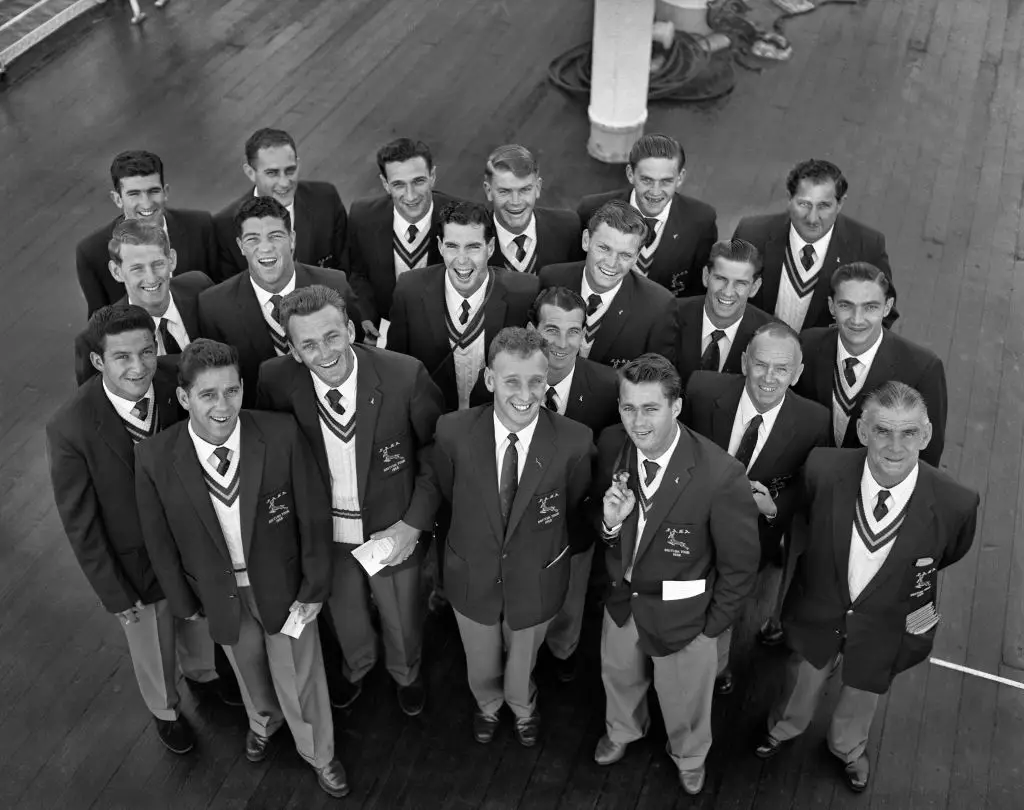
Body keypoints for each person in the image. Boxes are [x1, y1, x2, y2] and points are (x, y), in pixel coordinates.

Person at [134, 340, 349, 797]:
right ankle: (263, 722)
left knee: (300, 672)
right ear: (183, 398)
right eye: (208, 395)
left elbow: (313, 517)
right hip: (218, 591)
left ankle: (320, 752)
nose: (223, 405)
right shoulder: (155, 458)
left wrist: (314, 588)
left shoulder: (280, 434)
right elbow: (159, 539)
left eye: (231, 391)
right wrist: (183, 602)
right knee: (246, 666)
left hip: (285, 586)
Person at [754, 382, 979, 793]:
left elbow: (948, 554)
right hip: (819, 608)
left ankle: (847, 747)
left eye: (909, 433)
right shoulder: (823, 468)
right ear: (861, 431)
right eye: (882, 431)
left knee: (864, 691)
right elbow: (803, 518)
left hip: (885, 621)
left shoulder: (956, 503)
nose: (895, 445)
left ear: (926, 435)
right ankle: (783, 727)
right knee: (800, 676)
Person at [255, 285, 444, 717]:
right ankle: (358, 667)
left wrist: (414, 524)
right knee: (345, 615)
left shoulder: (404, 376)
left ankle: (405, 672)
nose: (324, 352)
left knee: (403, 617)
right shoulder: (275, 381)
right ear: (294, 351)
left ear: (351, 330)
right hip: (325, 536)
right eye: (308, 344)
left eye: (332, 336)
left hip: (392, 529)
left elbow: (436, 453)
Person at [47, 305, 217, 755]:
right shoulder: (69, 427)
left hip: (190, 542)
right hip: (133, 560)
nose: (138, 366)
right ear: (99, 361)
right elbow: (79, 522)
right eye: (122, 357)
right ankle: (166, 710)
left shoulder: (174, 383)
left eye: (146, 351)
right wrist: (114, 593)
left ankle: (204, 674)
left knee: (198, 620)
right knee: (152, 642)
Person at [593, 354, 760, 795]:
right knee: (619, 675)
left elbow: (740, 567)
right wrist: (610, 525)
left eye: (650, 409)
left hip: (687, 615)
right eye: (628, 408)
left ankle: (689, 755)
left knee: (686, 698)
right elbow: (611, 534)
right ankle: (623, 730)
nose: (637, 421)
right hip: (623, 600)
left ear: (677, 407)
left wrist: (711, 630)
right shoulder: (612, 447)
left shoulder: (721, 475)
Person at [427, 328, 593, 747]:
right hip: (471, 572)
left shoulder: (574, 440)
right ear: (488, 380)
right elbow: (448, 493)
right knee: (479, 657)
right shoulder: (452, 431)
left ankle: (523, 705)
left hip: (537, 577)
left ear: (547, 382)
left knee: (524, 659)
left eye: (536, 381)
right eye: (511, 381)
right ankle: (487, 704)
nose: (525, 393)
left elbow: (572, 505)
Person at [682, 322, 830, 694]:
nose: (769, 377)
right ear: (745, 361)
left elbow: (806, 482)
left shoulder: (814, 421)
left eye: (782, 369)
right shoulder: (701, 389)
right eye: (761, 364)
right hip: (690, 526)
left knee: (730, 605)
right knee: (681, 592)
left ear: (797, 374)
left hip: (754, 536)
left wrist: (773, 507)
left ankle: (715, 670)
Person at [197, 196, 363, 408]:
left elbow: (355, 349)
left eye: (275, 236)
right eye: (252, 239)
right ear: (240, 245)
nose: (265, 248)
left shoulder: (334, 284)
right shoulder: (214, 306)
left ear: (292, 239)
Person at [387, 201, 538, 413]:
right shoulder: (409, 289)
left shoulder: (524, 292)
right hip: (433, 419)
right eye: (452, 246)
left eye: (473, 247)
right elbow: (395, 367)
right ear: (440, 246)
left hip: (494, 418)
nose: (462, 260)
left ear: (491, 247)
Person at [794, 262, 945, 467]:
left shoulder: (923, 370)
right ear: (831, 306)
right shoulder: (808, 345)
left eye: (870, 307)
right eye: (846, 305)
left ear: (887, 307)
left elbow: (928, 454)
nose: (857, 319)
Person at [733, 159, 897, 332]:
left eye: (823, 206)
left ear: (840, 203)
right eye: (804, 204)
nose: (812, 218)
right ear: (789, 198)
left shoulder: (867, 246)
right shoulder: (751, 234)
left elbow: (884, 315)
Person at [538, 200, 678, 368]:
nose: (612, 263)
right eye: (604, 248)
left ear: (636, 257)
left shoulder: (659, 307)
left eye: (625, 255)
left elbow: (657, 379)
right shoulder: (551, 279)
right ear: (586, 240)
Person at [76, 150, 218, 316]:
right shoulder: (92, 252)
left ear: (165, 192)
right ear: (117, 199)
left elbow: (219, 291)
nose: (146, 204)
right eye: (134, 194)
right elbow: (100, 321)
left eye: (153, 191)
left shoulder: (200, 226)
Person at [576, 134, 717, 297]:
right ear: (630, 174)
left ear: (680, 178)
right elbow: (578, 269)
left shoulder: (701, 221)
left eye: (666, 181)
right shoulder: (591, 209)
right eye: (647, 180)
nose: (655, 192)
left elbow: (697, 289)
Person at [73, 219, 211, 384]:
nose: (151, 278)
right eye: (137, 268)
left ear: (172, 260)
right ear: (117, 272)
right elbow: (95, 401)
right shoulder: (94, 339)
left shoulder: (200, 288)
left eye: (158, 264)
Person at [346, 138, 456, 338]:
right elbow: (358, 274)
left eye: (418, 181)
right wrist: (365, 316)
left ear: (432, 176)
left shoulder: (459, 217)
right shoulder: (363, 216)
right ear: (385, 184)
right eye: (398, 185)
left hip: (444, 329)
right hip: (386, 330)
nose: (411, 195)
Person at [214, 128, 347, 279]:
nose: (284, 183)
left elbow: (347, 269)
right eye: (272, 173)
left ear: (298, 164)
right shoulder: (225, 225)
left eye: (290, 170)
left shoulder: (326, 201)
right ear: (250, 172)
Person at [675, 238, 775, 385]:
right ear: (706, 276)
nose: (728, 292)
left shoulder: (772, 335)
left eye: (740, 283)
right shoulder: (669, 315)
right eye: (721, 279)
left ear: (754, 287)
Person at [483, 144, 582, 275]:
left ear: (538, 188)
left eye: (525, 190)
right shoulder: (470, 240)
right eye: (504, 191)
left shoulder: (569, 228)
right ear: (489, 191)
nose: (515, 202)